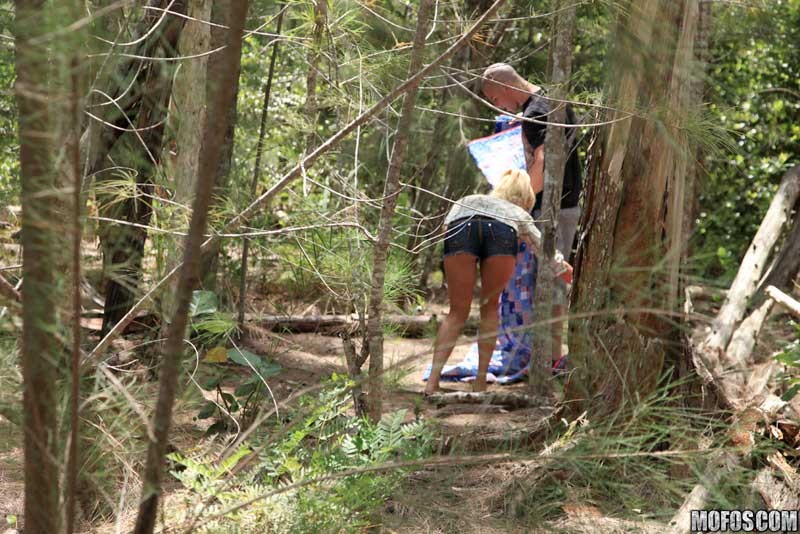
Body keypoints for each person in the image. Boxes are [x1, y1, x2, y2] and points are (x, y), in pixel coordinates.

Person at [424, 169, 566, 395]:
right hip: (501, 233)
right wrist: (562, 268)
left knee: (456, 312)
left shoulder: (466, 201)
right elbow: (543, 249)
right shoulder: (516, 212)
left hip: (460, 228)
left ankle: (432, 383)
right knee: (490, 308)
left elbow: (445, 229)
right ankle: (480, 382)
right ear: (525, 199)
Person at [481, 62, 582, 369]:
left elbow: (542, 161)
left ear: (506, 89)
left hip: (552, 206)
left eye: (497, 100)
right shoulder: (554, 99)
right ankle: (549, 353)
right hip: (568, 202)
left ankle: (552, 357)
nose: (501, 108)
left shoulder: (535, 114)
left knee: (550, 278)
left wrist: (520, 200)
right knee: (551, 276)